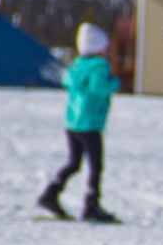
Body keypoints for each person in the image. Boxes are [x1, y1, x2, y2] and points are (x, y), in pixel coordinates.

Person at [37, 22, 120, 223]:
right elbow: (98, 87)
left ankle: (51, 193)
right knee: (95, 165)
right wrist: (115, 82)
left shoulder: (77, 65)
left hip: (73, 122)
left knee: (74, 163)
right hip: (90, 123)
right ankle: (91, 205)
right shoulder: (99, 65)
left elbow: (68, 81)